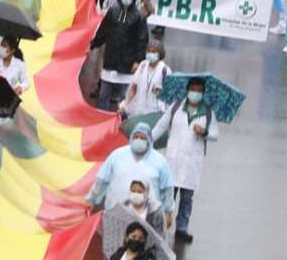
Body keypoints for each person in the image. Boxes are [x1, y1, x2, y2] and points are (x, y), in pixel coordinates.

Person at [151, 77, 219, 243]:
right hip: (173, 159)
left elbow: (215, 134)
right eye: (193, 89)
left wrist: (204, 133)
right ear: (187, 90)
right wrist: (148, 140)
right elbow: (161, 126)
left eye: (199, 90)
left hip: (192, 162)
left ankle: (182, 228)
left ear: (203, 93)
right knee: (168, 194)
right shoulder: (175, 107)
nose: (195, 93)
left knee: (187, 198)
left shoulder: (208, 112)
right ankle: (160, 225)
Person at [87, 123, 176, 223]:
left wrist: (168, 211)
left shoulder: (159, 161)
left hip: (147, 216)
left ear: (149, 140)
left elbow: (167, 188)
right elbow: (102, 179)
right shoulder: (117, 155)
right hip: (115, 211)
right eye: (136, 136)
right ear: (131, 138)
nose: (139, 140)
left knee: (140, 238)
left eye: (143, 138)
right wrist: (92, 199)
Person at [90, 0, 147, 111]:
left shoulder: (139, 17)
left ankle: (120, 123)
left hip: (127, 64)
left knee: (124, 98)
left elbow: (142, 41)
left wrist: (138, 61)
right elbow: (103, 32)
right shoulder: (113, 12)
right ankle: (100, 120)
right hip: (110, 61)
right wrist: (92, 45)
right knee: (104, 94)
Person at [119, 41, 170, 118]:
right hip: (138, 109)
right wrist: (125, 104)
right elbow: (134, 87)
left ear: (160, 53)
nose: (150, 53)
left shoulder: (165, 70)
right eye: (148, 51)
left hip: (154, 112)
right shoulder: (143, 65)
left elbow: (169, 94)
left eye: (153, 51)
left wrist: (159, 91)